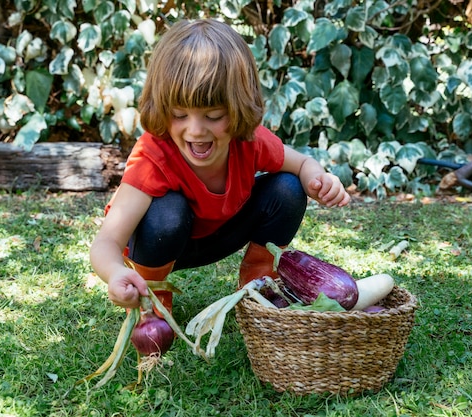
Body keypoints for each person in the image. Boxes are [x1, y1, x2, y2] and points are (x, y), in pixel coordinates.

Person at [89, 18, 350, 314]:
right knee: (167, 213)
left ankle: (258, 280)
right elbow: (106, 242)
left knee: (288, 188)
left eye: (213, 116)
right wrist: (115, 273)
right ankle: (152, 298)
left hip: (220, 236)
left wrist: (317, 179)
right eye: (179, 114)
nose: (196, 130)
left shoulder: (248, 140)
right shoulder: (154, 155)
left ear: (239, 108)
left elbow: (303, 163)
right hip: (162, 244)